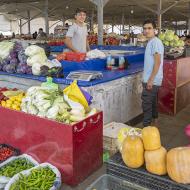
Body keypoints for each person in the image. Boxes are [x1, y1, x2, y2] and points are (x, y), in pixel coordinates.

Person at [142, 20, 164, 127]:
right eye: (145, 28)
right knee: (153, 102)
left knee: (146, 104)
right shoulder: (151, 42)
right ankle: (155, 123)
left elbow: (158, 61)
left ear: (155, 30)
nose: (146, 31)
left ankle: (146, 129)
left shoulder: (156, 42)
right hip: (152, 80)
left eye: (149, 28)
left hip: (152, 80)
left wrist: (150, 80)